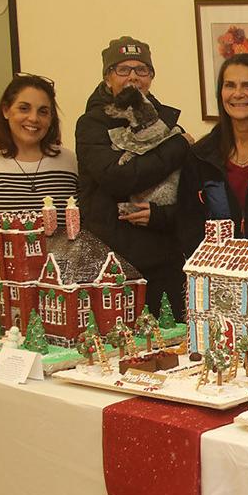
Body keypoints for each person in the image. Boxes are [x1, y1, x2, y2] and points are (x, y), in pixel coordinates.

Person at [75, 36, 190, 321]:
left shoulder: (166, 121)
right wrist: (178, 146)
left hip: (164, 258)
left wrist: (161, 215)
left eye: (141, 70)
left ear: (151, 77)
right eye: (123, 70)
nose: (133, 78)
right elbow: (119, 178)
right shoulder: (92, 124)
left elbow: (188, 194)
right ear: (107, 76)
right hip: (114, 258)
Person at [0, 74, 79, 286]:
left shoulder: (70, 161)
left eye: (43, 112)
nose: (34, 119)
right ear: (6, 110)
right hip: (1, 278)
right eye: (24, 108)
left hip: (59, 278)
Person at [178, 53, 248, 253]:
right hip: (215, 271)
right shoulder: (200, 156)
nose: (238, 93)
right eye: (229, 85)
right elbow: (188, 225)